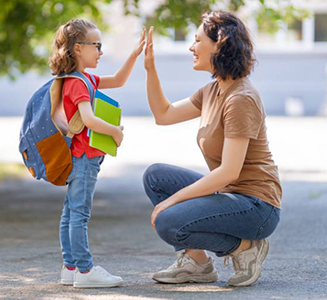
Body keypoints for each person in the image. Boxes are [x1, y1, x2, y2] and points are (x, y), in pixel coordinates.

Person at [142, 11, 282, 287]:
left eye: (197, 40)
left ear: (219, 45)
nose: (191, 47)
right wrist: (150, 68)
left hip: (257, 206)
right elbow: (164, 114)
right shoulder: (212, 90)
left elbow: (228, 171)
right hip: (231, 195)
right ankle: (198, 263)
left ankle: (245, 247)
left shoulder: (241, 98)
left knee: (169, 221)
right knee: (156, 176)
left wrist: (172, 201)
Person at [49, 19, 145, 288]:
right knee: (79, 214)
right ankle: (85, 269)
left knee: (70, 212)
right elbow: (89, 119)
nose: (101, 52)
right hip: (84, 158)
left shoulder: (81, 79)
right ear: (78, 48)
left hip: (77, 157)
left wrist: (135, 54)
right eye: (97, 46)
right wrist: (115, 132)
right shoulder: (78, 83)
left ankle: (70, 268)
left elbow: (118, 80)